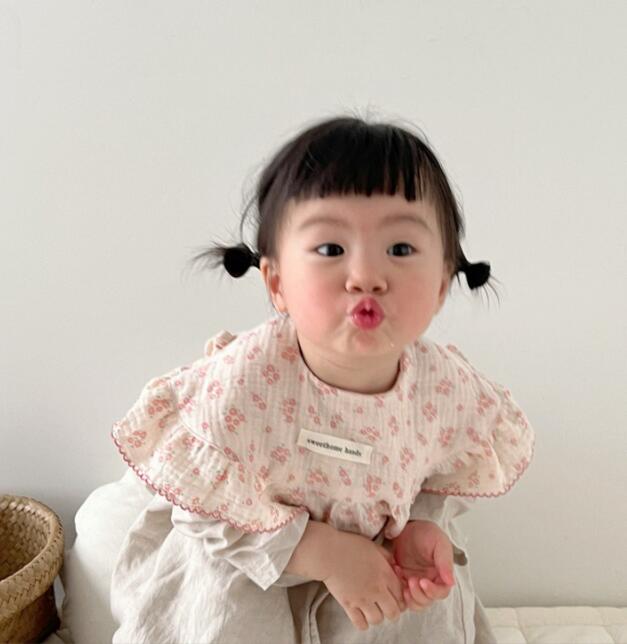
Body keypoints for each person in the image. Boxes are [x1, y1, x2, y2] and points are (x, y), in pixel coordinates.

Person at [109, 114, 535, 643]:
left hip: (373, 563)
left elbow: (434, 472)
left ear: (444, 284)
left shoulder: (444, 387)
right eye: (331, 249)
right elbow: (202, 512)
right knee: (222, 608)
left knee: (425, 606)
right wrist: (318, 550)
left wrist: (420, 525)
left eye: (401, 249)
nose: (366, 277)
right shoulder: (247, 380)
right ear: (277, 283)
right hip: (251, 550)